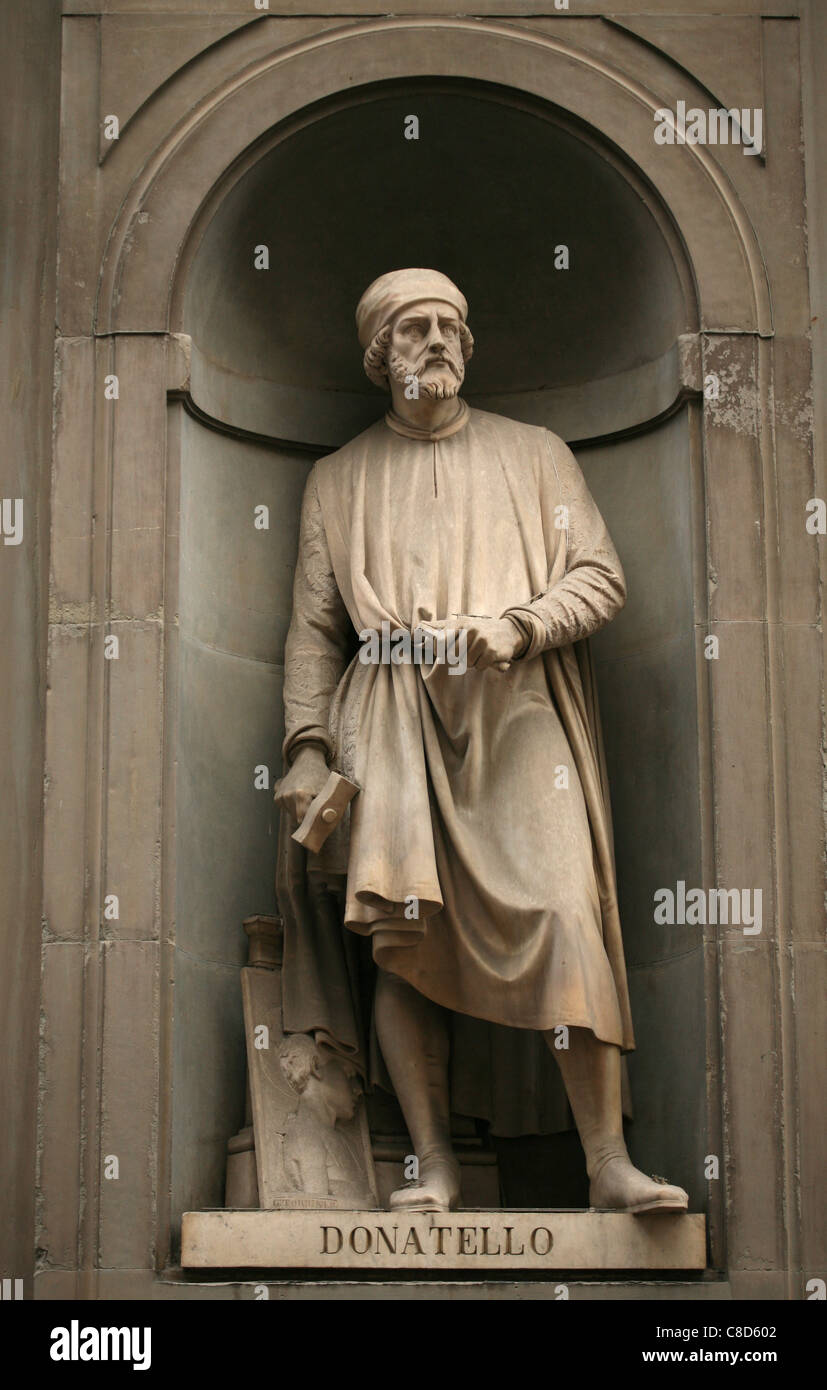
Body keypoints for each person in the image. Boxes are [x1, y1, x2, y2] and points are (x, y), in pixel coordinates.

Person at [275, 268, 688, 1216]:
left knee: (562, 914)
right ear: (380, 353)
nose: (438, 341)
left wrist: (521, 624)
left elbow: (599, 576)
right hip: (387, 710)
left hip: (514, 710)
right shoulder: (336, 478)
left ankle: (605, 1163)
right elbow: (312, 630)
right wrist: (304, 744)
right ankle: (434, 1168)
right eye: (415, 328)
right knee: (401, 932)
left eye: (452, 325)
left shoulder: (535, 454)